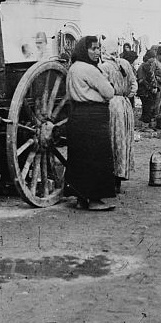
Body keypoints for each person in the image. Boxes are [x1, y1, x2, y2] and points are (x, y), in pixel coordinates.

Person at [65, 36, 117, 210]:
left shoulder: (73, 68)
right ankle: (95, 200)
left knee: (80, 157)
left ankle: (81, 199)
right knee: (97, 157)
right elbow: (109, 92)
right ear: (84, 50)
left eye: (98, 49)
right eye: (93, 48)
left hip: (77, 115)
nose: (97, 52)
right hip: (94, 116)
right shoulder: (90, 69)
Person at [100, 47, 137, 193]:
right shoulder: (125, 64)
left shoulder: (104, 67)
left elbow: (101, 87)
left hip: (111, 104)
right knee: (123, 139)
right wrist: (127, 94)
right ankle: (119, 178)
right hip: (125, 103)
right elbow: (134, 84)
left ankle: (110, 178)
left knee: (112, 140)